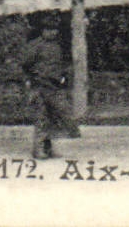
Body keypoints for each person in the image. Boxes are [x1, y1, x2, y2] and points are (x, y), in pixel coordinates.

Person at [19, 21, 74, 159]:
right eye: (49, 29)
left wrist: (62, 77)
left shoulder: (57, 46)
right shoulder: (35, 45)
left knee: (51, 118)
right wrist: (30, 79)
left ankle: (48, 149)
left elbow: (61, 65)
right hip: (39, 85)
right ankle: (38, 150)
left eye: (55, 29)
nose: (53, 32)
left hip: (54, 86)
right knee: (41, 117)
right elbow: (25, 64)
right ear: (42, 30)